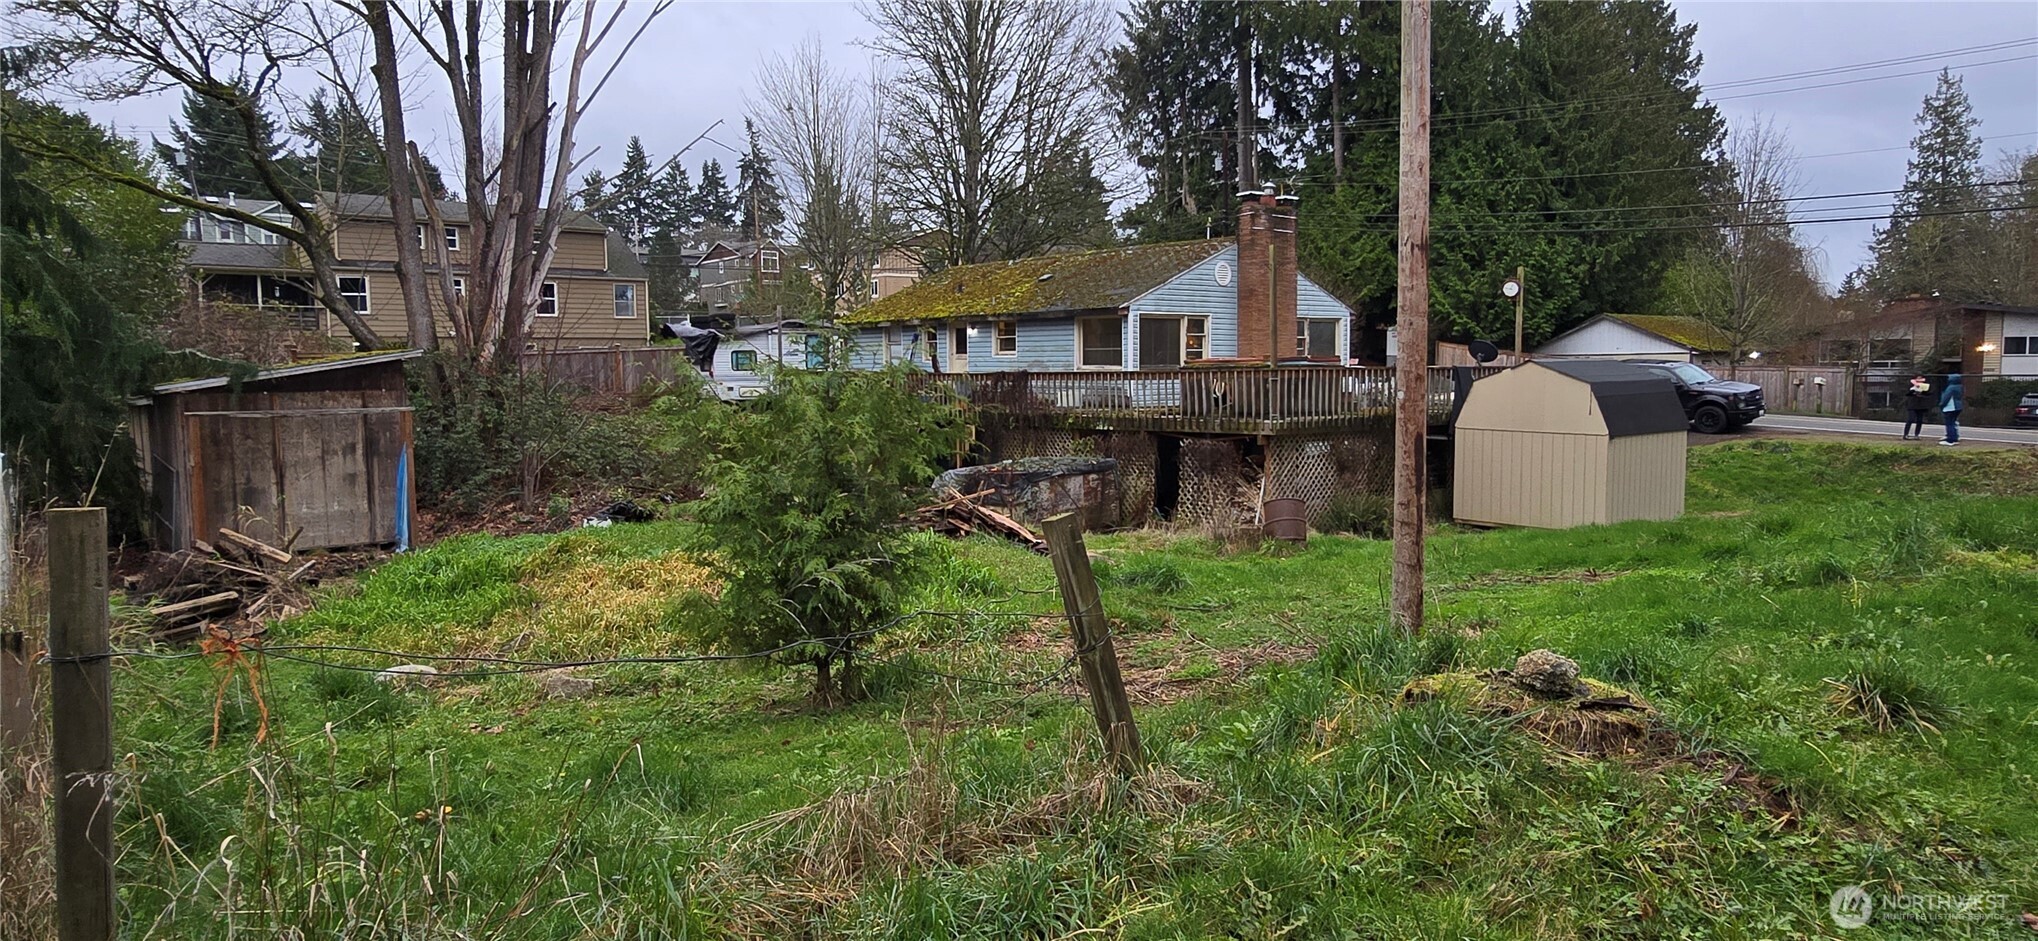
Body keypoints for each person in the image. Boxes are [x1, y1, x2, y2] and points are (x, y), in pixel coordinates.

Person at [1939, 373, 1965, 445]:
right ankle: (1955, 437)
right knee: (1954, 423)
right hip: (1958, 406)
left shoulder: (1951, 387)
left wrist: (1941, 404)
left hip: (1950, 407)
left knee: (1949, 423)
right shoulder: (1960, 386)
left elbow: (1946, 398)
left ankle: (1950, 440)